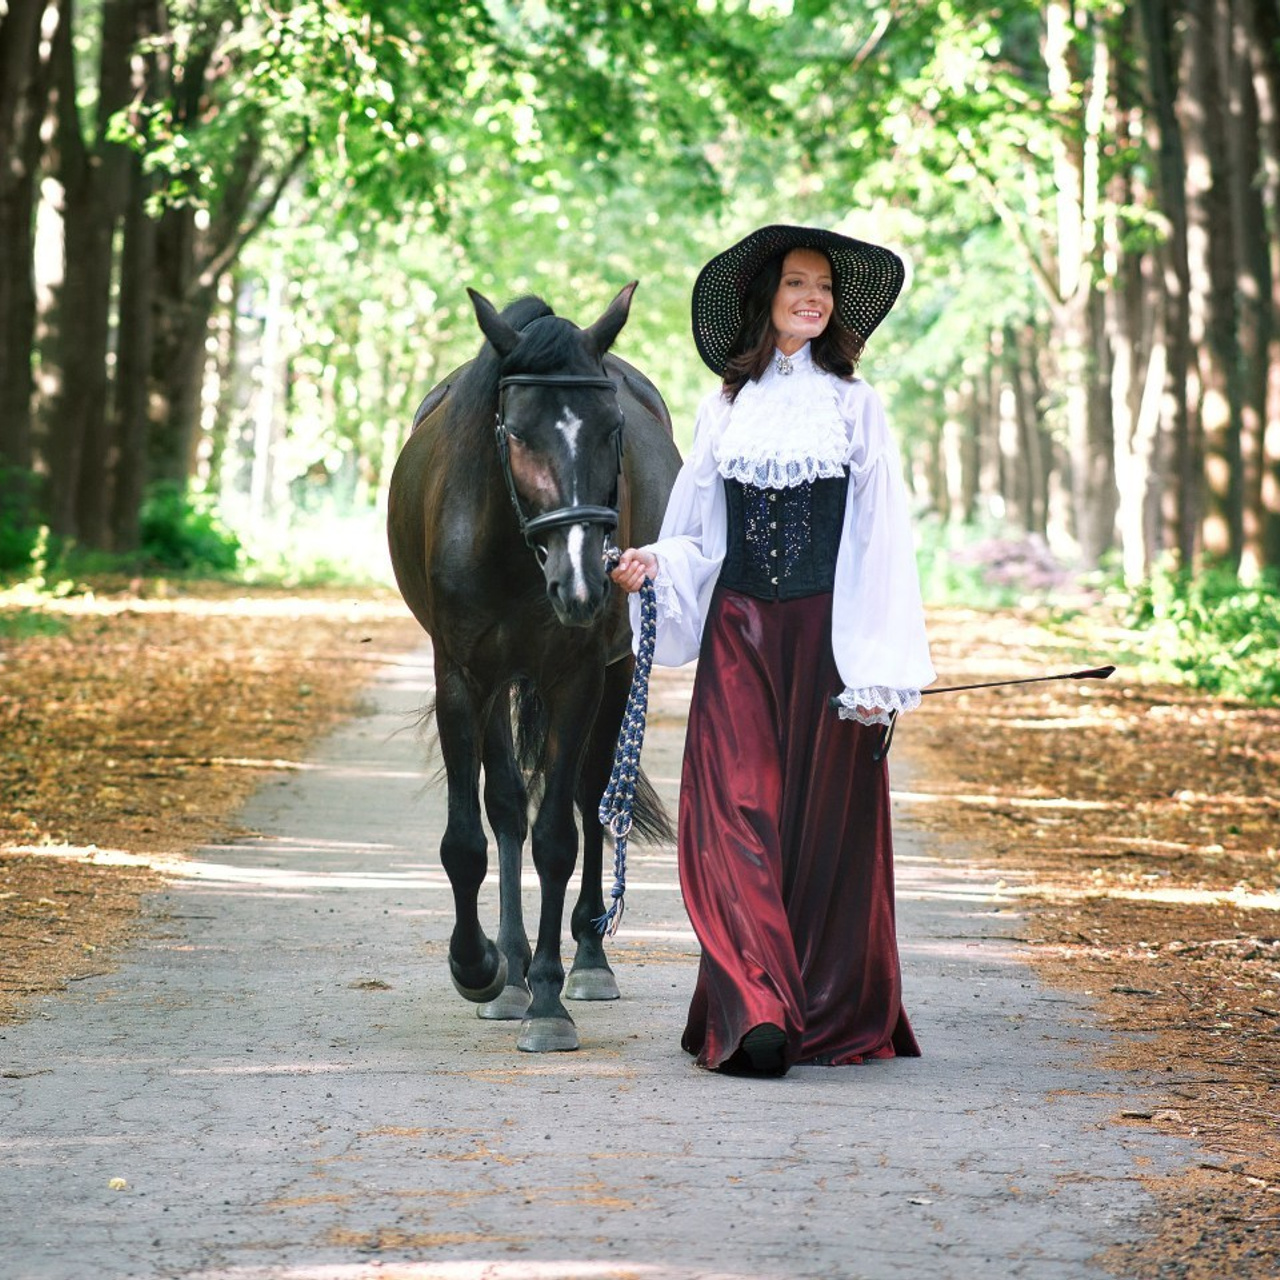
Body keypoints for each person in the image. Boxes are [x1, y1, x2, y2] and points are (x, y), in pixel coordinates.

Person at [609, 224, 935, 1076]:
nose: (812, 298)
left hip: (827, 641)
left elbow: (879, 540)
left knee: (822, 831)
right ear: (767, 301)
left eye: (823, 287)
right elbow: (698, 537)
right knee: (734, 817)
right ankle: (756, 1010)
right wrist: (654, 563)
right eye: (797, 283)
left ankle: (818, 1006)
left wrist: (877, 669)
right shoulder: (726, 409)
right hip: (740, 638)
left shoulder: (856, 407)